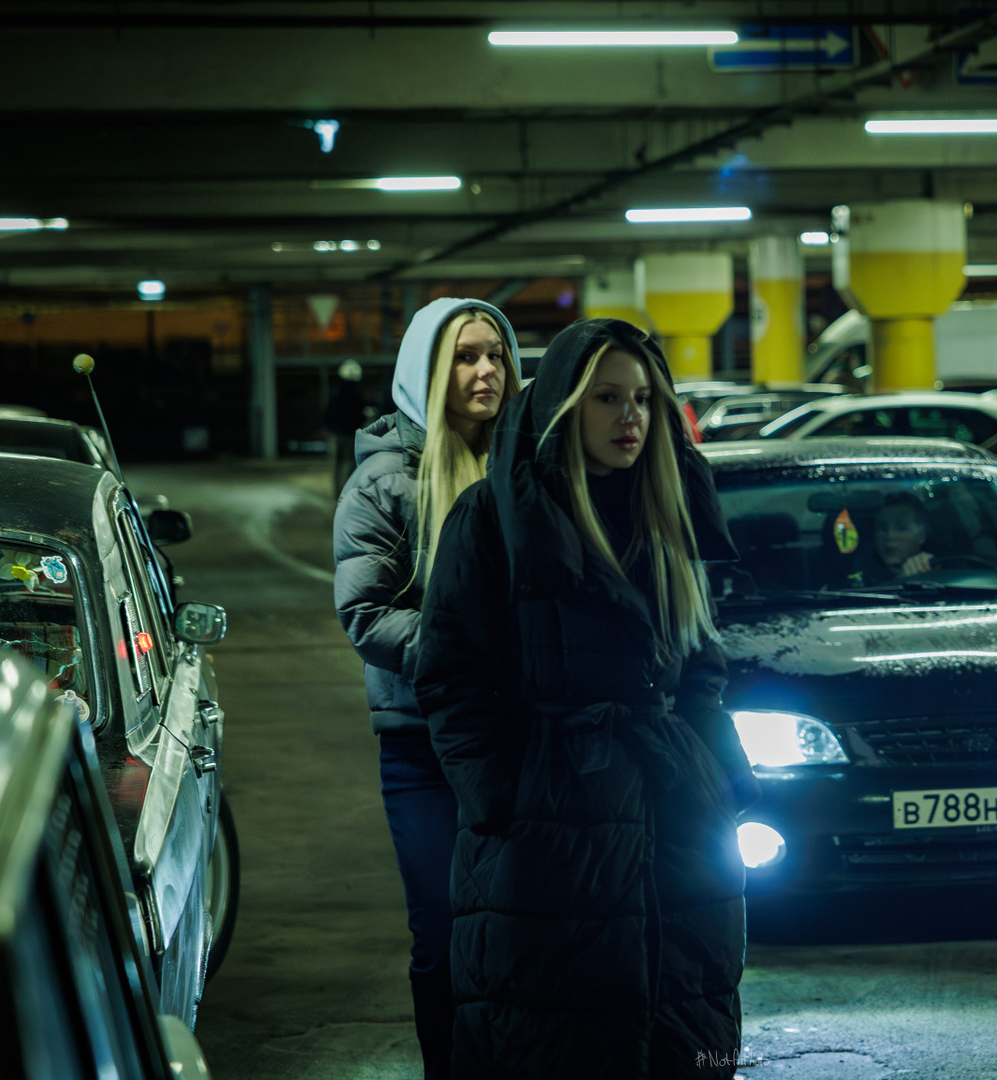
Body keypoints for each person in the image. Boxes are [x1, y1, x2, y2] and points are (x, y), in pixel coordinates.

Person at [414, 319, 758, 1080]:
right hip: (550, 824)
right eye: (607, 398)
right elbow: (451, 674)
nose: (631, 416)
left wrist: (720, 773)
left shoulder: (667, 513)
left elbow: (702, 665)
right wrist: (504, 796)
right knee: (556, 1035)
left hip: (675, 813)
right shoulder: (493, 517)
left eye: (644, 399)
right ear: (566, 407)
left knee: (682, 1024)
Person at [332, 297, 520, 1080]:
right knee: (443, 932)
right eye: (466, 356)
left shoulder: (528, 470)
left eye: (496, 355)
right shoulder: (385, 481)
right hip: (422, 744)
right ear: (428, 372)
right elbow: (366, 612)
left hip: (520, 736)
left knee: (521, 929)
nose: (487, 371)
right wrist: (467, 649)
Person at [865, 491, 934, 581]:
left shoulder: (942, 570)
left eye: (901, 528)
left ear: (922, 535)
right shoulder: (862, 576)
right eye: (882, 529)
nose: (889, 536)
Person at [325, 358, 371, 495]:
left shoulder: (335, 394)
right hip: (350, 435)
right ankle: (345, 492)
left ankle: (337, 492)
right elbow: (361, 416)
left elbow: (328, 414)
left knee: (336, 464)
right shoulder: (356, 396)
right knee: (348, 463)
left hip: (336, 434)